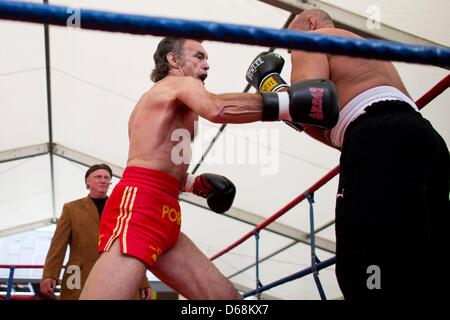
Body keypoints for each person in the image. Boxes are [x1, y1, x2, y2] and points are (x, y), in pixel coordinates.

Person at [80, 37, 340, 300]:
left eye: (207, 58)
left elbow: (162, 163)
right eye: (199, 56)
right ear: (173, 60)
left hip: (166, 211)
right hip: (139, 207)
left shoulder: (174, 102)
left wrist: (195, 184)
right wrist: (286, 103)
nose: (207, 65)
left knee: (227, 300)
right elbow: (218, 108)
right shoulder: (177, 85)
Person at [245, 9, 449, 299]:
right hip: (425, 141)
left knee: (365, 257)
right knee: (424, 249)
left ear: (311, 23)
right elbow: (334, 126)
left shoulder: (313, 41)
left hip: (377, 139)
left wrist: (271, 86)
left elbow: (309, 104)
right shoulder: (369, 52)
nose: (291, 50)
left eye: (290, 40)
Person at [40, 164, 152, 300]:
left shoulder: (123, 209)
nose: (103, 180)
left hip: (119, 273)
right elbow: (57, 246)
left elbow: (132, 247)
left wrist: (142, 281)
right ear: (88, 181)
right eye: (98, 177)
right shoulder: (71, 208)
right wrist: (49, 275)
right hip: (79, 275)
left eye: (107, 177)